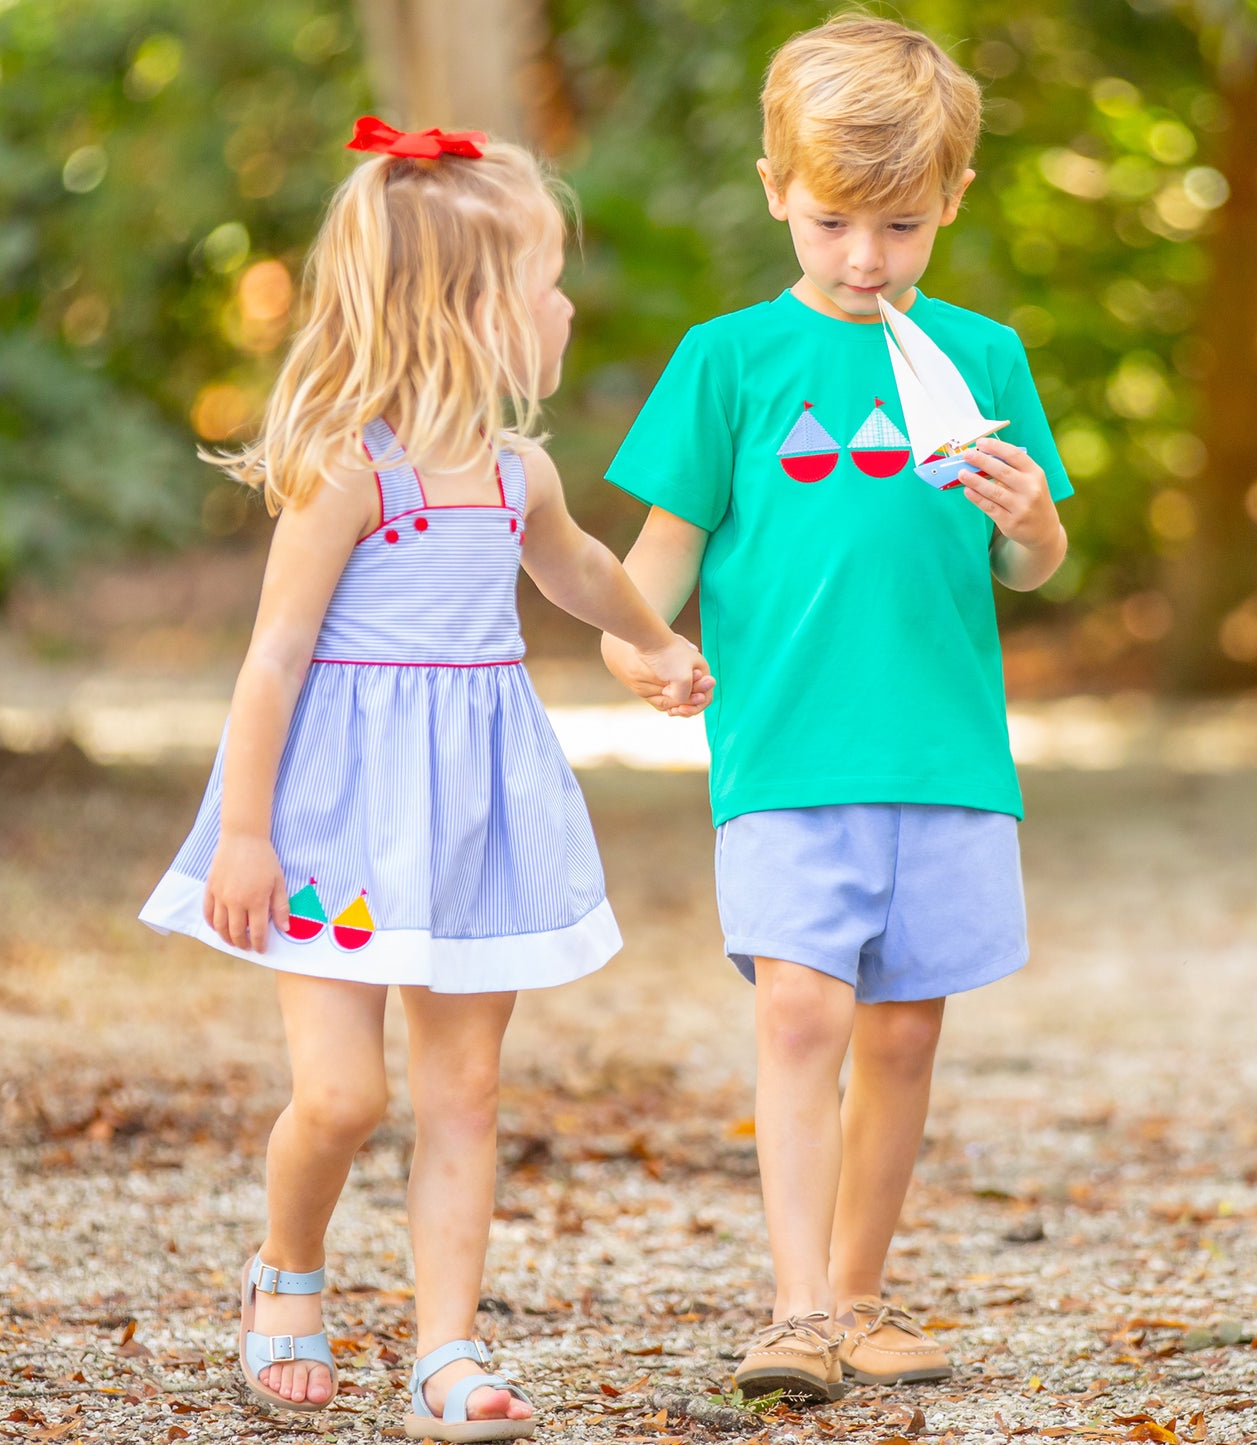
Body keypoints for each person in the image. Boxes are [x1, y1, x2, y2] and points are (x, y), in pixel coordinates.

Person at [140, 117, 709, 1439]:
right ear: (467, 309)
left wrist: (648, 634)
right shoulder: (354, 466)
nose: (563, 303)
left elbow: (574, 570)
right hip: (332, 815)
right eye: (543, 280)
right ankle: (285, 1272)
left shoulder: (519, 472)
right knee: (343, 1094)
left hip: (473, 809)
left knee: (465, 1089)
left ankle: (447, 1346)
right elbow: (274, 657)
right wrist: (240, 833)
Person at [601, 15, 1073, 1404]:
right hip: (783, 752)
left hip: (942, 751)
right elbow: (655, 565)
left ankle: (860, 1291)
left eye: (900, 228)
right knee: (801, 1009)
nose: (864, 260)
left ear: (951, 205)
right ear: (772, 192)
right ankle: (795, 1309)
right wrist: (642, 652)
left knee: (906, 1026)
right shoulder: (727, 361)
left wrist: (1032, 515)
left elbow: (1028, 564)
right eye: (829, 225)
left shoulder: (980, 359)